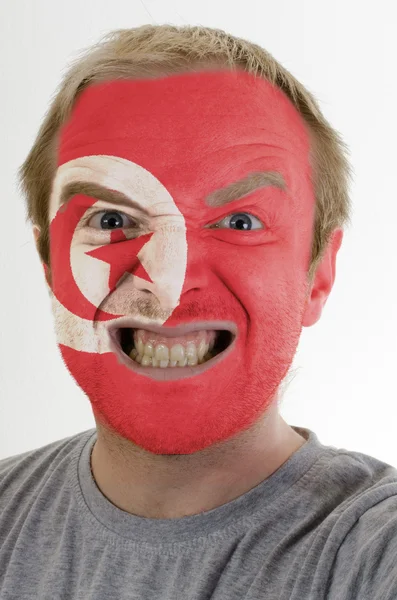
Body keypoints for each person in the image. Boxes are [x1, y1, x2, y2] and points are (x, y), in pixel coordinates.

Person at [1, 24, 396, 600]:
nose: (169, 282)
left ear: (319, 275)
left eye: (240, 222)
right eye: (113, 221)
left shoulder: (373, 550)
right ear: (49, 265)